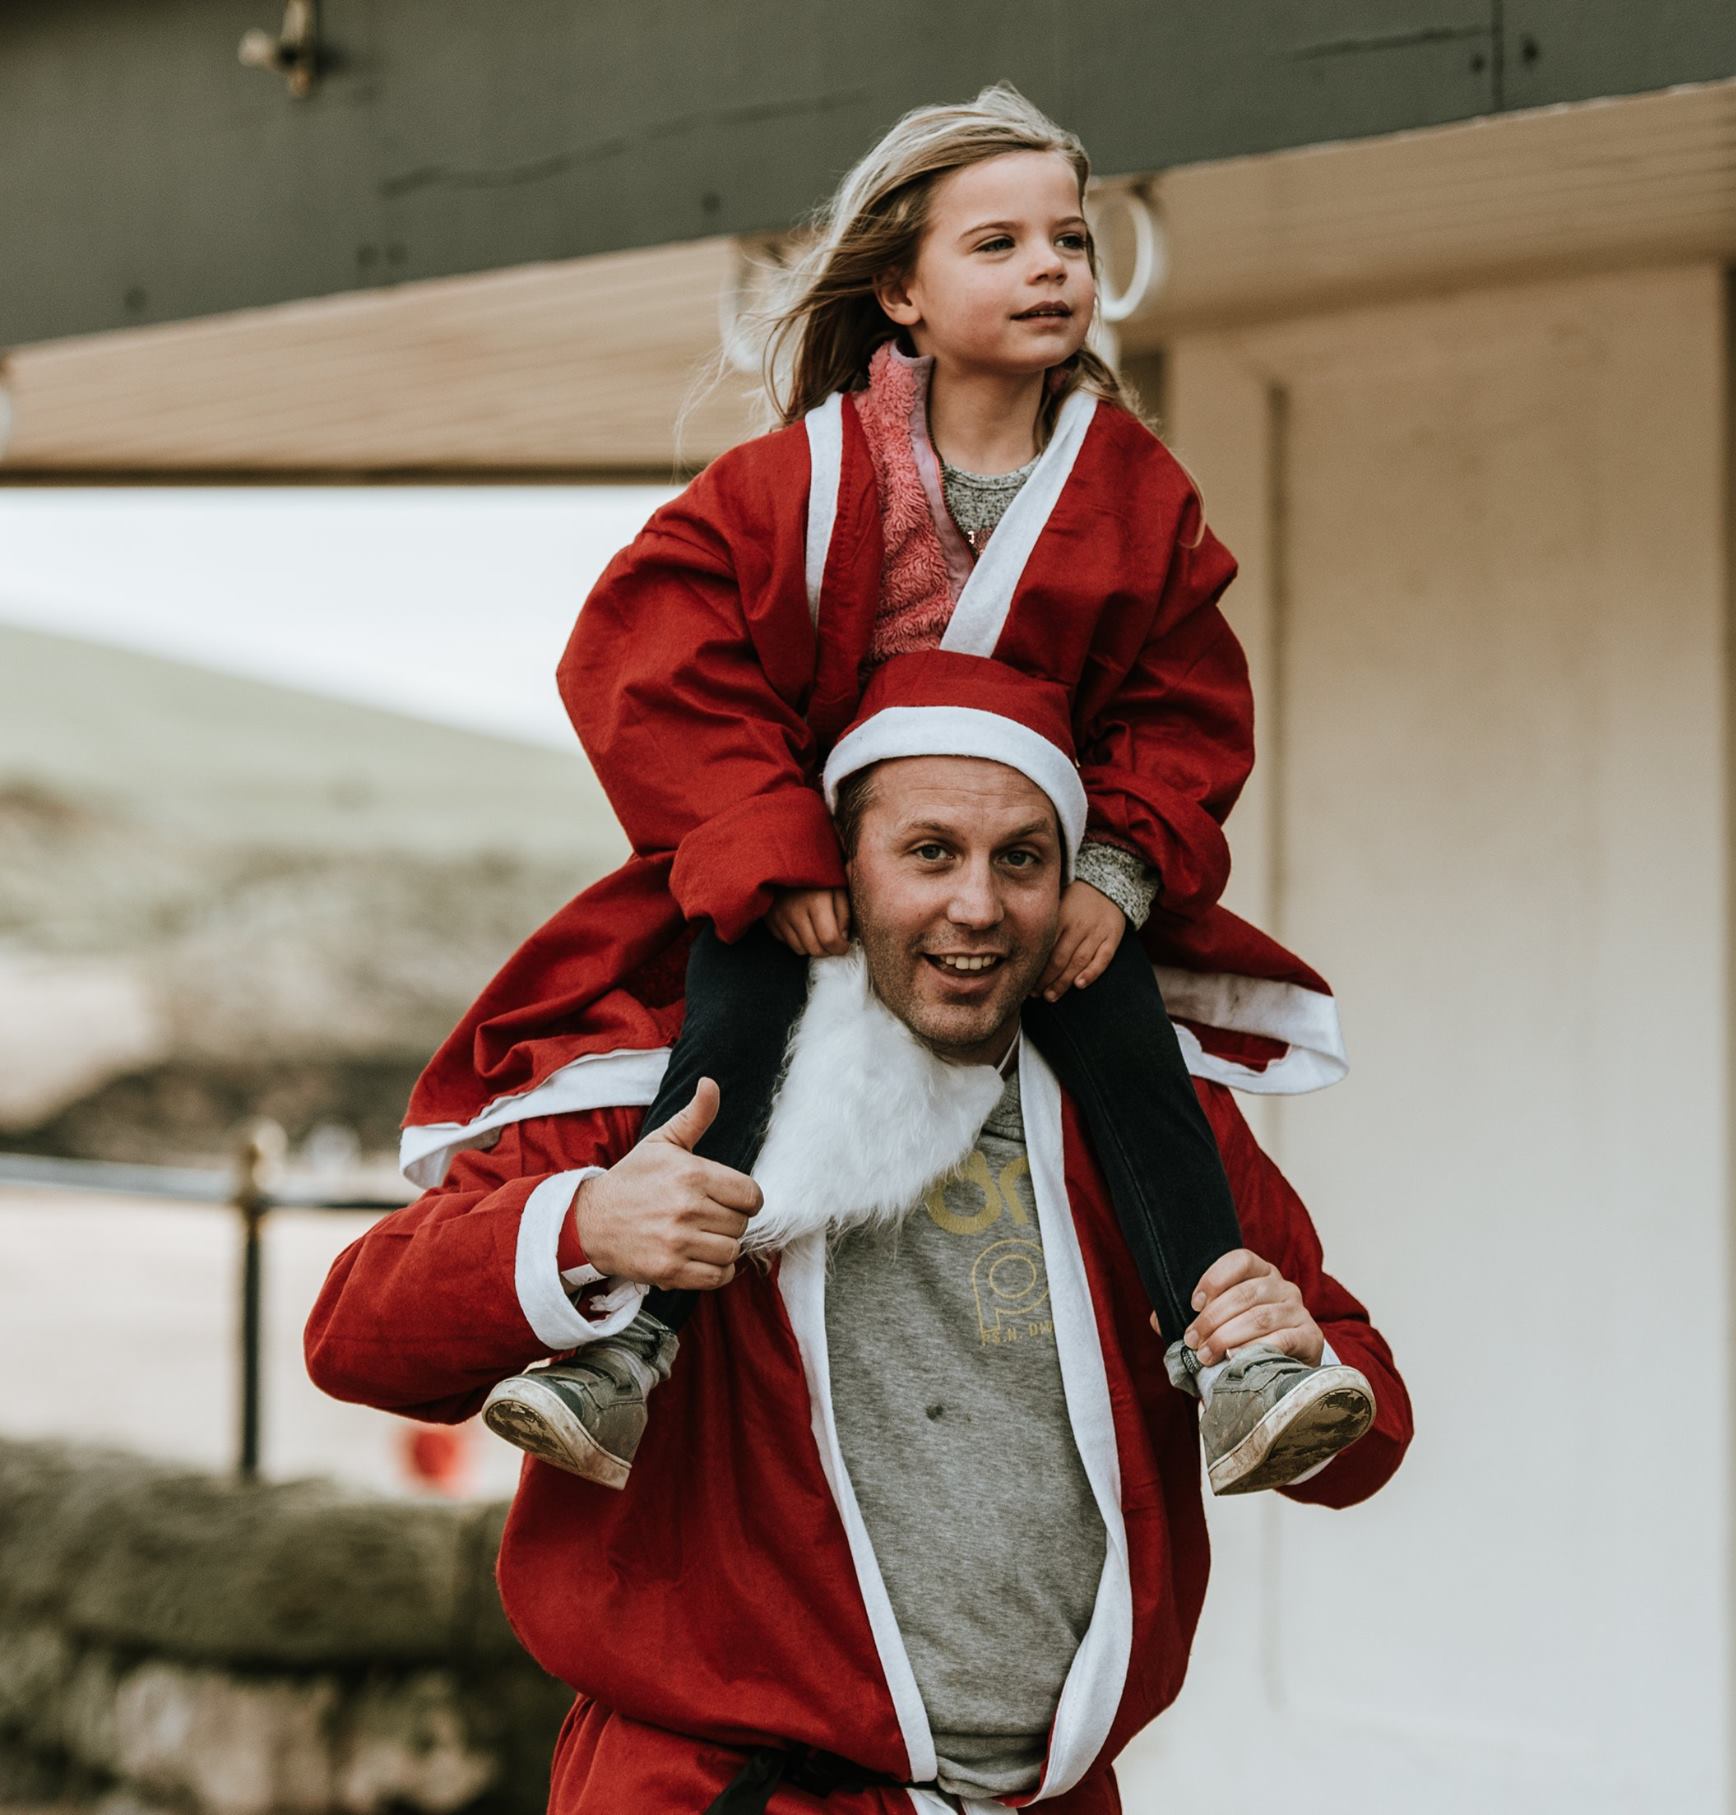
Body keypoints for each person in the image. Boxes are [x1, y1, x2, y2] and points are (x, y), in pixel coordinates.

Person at [419, 81, 1362, 1497]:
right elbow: (654, 651)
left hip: (1035, 884)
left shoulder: (1138, 492)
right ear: (901, 293)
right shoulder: (790, 480)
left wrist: (1116, 874)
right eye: (998, 244)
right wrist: (762, 841)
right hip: (811, 870)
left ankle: (1230, 1356)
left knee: (1134, 1065)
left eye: (1072, 240)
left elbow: (1185, 702)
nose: (1050, 267)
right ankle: (631, 1350)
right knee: (722, 1044)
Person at [305, 663, 1413, 1813]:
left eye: (1020, 858)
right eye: (929, 852)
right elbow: (355, 1338)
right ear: (838, 865)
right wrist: (584, 1225)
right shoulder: (670, 1096)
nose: (976, 906)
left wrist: (1305, 1355)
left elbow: (1369, 1432)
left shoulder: (1149, 1125)